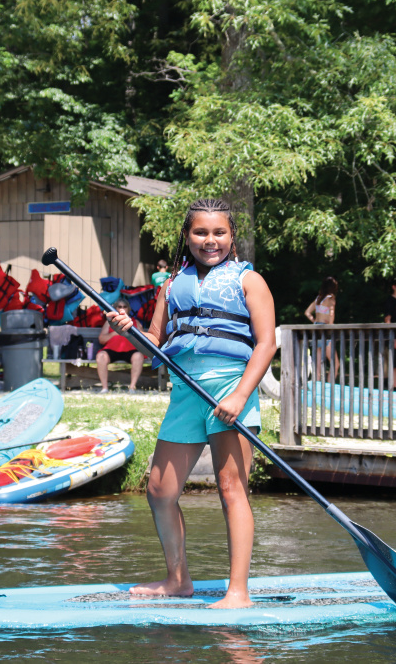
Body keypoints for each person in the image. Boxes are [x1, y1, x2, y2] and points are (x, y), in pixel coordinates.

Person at [105, 198, 276, 609]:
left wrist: (239, 395)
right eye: (200, 232)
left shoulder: (249, 281)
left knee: (231, 488)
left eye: (219, 232)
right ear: (187, 236)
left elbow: (266, 343)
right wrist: (130, 333)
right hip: (185, 392)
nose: (209, 240)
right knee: (160, 491)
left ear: (232, 237)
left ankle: (238, 591)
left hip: (230, 389)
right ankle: (178, 580)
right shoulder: (172, 284)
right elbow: (154, 345)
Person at [95, 297, 145, 394]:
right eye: (119, 306)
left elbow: (143, 340)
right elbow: (101, 339)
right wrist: (115, 333)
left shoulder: (135, 322)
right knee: (100, 356)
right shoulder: (109, 322)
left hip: (131, 350)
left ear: (128, 309)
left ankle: (132, 387)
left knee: (138, 356)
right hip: (112, 349)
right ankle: (104, 388)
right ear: (115, 308)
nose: (122, 309)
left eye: (124, 307)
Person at [303, 276, 338, 377]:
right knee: (335, 364)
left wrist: (315, 321)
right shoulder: (331, 298)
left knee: (317, 365)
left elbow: (307, 312)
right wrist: (331, 327)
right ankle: (330, 388)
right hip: (326, 330)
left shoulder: (318, 299)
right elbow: (331, 314)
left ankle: (317, 390)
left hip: (316, 329)